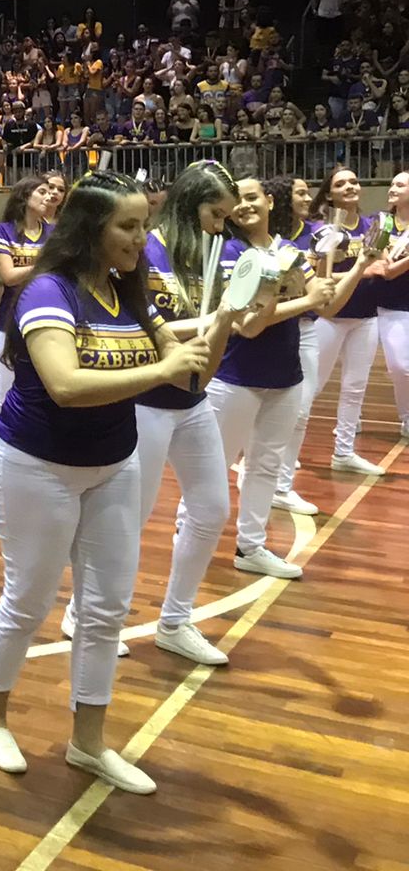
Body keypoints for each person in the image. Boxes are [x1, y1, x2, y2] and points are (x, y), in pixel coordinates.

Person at [0, 170, 209, 795]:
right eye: (127, 226)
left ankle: (89, 742)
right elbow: (66, 385)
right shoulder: (47, 291)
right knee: (28, 601)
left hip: (114, 463)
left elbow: (190, 374)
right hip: (36, 465)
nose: (141, 238)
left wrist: (230, 322)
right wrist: (163, 367)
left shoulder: (129, 291)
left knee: (106, 609)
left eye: (144, 225)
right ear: (90, 229)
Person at [116, 161, 246, 665]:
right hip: (145, 401)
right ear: (191, 205)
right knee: (129, 519)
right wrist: (211, 319)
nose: (221, 225)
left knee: (212, 509)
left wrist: (232, 316)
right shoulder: (145, 250)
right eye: (216, 214)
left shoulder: (206, 254)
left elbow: (212, 332)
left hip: (192, 400)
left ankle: (174, 621)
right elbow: (136, 325)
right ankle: (87, 612)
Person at [210, 176, 341, 583]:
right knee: (215, 466)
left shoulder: (290, 251)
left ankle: (251, 546)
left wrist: (340, 274)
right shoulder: (229, 252)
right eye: (237, 201)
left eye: (252, 197)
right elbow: (246, 324)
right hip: (235, 376)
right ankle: (188, 530)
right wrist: (305, 300)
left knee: (265, 465)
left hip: (285, 375)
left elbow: (325, 303)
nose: (245, 206)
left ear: (269, 201)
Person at [290, 165, 384, 481]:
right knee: (309, 389)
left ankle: (344, 452)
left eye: (354, 181)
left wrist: (370, 268)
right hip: (329, 317)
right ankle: (278, 451)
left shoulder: (372, 225)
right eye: (341, 184)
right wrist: (361, 271)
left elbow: (381, 263)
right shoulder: (322, 229)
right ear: (329, 194)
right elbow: (320, 277)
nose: (350, 187)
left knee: (355, 387)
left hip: (366, 316)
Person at [0, 176, 56, 480]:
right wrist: (48, 262)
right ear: (24, 196)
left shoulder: (54, 233)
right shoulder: (2, 232)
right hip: (11, 321)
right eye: (42, 191)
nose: (48, 196)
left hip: (48, 320)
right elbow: (9, 276)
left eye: (51, 192)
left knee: (46, 390)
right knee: (4, 393)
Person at [372, 171, 409, 440]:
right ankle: (407, 417)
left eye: (400, 185)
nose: (392, 188)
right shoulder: (381, 221)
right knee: (400, 367)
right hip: (390, 305)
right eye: (392, 184)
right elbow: (387, 271)